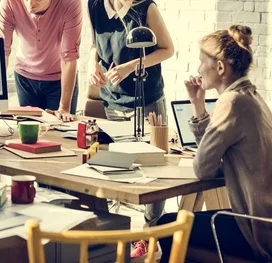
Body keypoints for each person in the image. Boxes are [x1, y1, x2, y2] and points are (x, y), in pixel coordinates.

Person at [156, 25, 272, 262]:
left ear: (220, 67)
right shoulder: (249, 96)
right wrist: (199, 107)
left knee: (167, 226)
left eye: (202, 61)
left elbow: (203, 169)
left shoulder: (230, 103)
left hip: (257, 230)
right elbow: (214, 162)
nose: (199, 68)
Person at [87, 0, 174, 257]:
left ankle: (150, 233)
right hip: (112, 99)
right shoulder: (94, 6)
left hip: (147, 99)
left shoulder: (146, 8)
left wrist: (130, 66)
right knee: (118, 166)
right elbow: (95, 46)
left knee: (155, 167)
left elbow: (167, 49)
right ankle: (115, 232)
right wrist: (92, 67)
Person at [0, 0, 82, 122]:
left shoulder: (70, 3)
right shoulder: (10, 2)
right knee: (28, 132)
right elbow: (1, 53)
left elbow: (69, 57)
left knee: (60, 129)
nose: (30, 4)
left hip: (59, 80)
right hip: (25, 78)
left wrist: (64, 108)